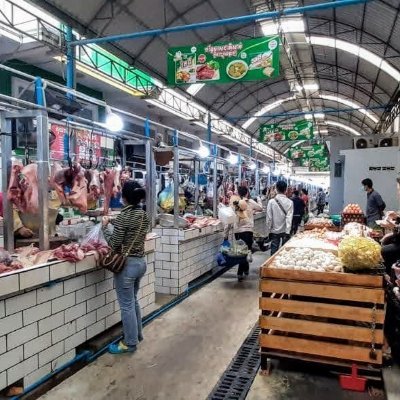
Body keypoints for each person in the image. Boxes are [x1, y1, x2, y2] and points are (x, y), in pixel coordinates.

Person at [102, 181, 150, 354]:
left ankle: (129, 343)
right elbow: (131, 227)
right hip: (140, 263)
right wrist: (114, 221)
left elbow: (114, 244)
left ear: (125, 197)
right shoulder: (143, 214)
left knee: (126, 306)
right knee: (133, 301)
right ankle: (137, 334)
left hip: (127, 266)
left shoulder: (124, 216)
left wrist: (104, 228)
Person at [230, 186, 262, 282]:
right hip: (247, 231)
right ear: (247, 193)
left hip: (237, 231)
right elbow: (260, 208)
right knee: (245, 251)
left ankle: (245, 269)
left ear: (238, 193)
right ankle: (240, 272)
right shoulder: (250, 202)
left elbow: (230, 216)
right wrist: (259, 199)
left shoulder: (234, 203)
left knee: (242, 251)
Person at [266, 180, 294, 255]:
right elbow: (289, 218)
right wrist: (288, 231)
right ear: (286, 190)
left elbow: (269, 218)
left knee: (274, 251)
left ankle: (272, 265)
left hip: (274, 231)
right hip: (285, 231)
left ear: (276, 189)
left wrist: (269, 230)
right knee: (284, 252)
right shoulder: (290, 202)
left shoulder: (271, 202)